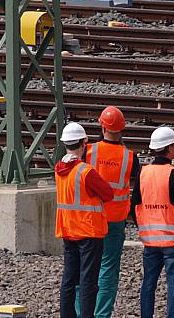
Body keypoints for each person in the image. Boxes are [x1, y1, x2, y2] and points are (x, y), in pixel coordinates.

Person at [133, 127, 174, 318]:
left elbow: (133, 205)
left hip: (150, 241)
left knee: (148, 284)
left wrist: (144, 228)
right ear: (169, 148)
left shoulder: (143, 173)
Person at [84, 106, 139, 318]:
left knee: (86, 268)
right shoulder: (130, 157)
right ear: (122, 128)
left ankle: (82, 313)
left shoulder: (88, 151)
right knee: (108, 270)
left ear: (102, 125)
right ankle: (101, 314)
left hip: (91, 218)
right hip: (115, 221)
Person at [56, 121, 114, 318]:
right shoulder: (86, 171)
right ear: (84, 143)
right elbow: (108, 194)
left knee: (69, 280)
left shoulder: (59, 169)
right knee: (88, 281)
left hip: (68, 229)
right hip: (89, 231)